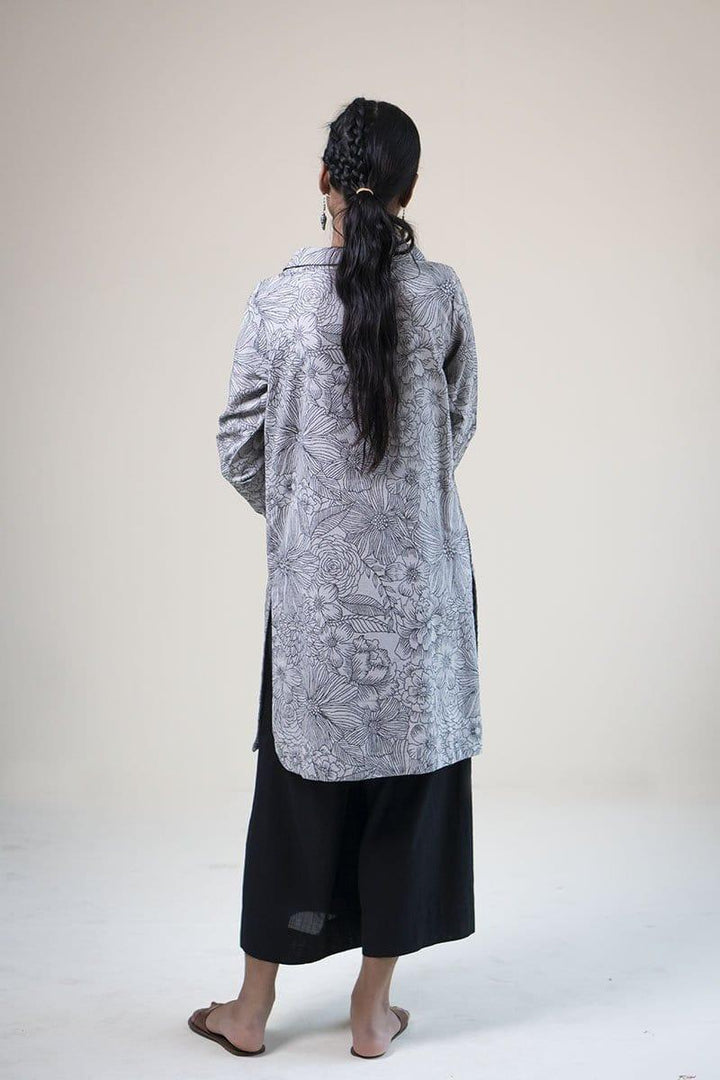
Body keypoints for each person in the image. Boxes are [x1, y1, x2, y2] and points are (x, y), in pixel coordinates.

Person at [188, 95, 482, 1060]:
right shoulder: (441, 297)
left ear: (324, 178)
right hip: (421, 598)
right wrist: (396, 510)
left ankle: (250, 1013)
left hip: (313, 602)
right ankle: (370, 1013)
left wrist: (310, 518)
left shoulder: (277, 301)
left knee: (295, 800)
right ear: (409, 192)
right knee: (407, 790)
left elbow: (238, 445)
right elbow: (456, 429)